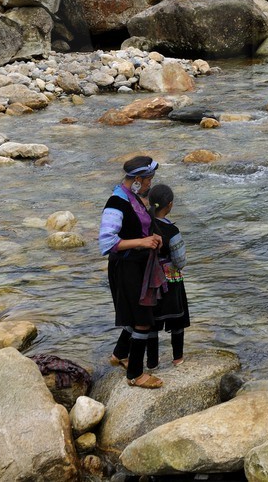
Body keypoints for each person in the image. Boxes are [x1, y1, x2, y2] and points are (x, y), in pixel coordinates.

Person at [99, 154, 165, 388]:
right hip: (126, 267)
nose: (150, 183)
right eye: (149, 179)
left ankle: (119, 355)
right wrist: (141, 242)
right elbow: (106, 243)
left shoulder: (133, 197)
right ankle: (135, 375)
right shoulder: (116, 203)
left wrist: (151, 237)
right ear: (137, 179)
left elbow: (138, 228)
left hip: (138, 266)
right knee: (142, 320)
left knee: (135, 313)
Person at [144, 183, 191, 369]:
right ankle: (177, 358)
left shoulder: (144, 225)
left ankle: (152, 362)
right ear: (169, 205)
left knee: (152, 323)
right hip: (171, 282)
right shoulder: (172, 231)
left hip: (149, 281)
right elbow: (180, 260)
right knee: (177, 320)